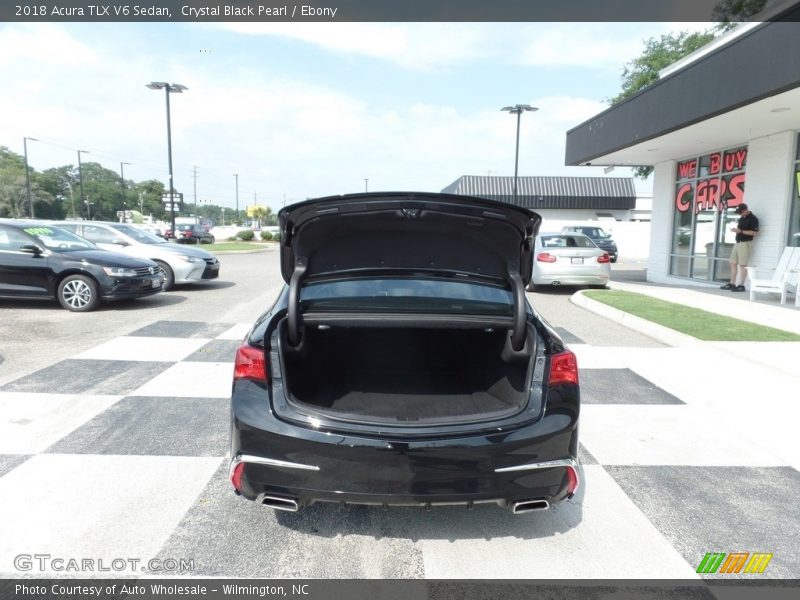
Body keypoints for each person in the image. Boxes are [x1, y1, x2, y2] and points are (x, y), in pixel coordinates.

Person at [720, 203, 759, 292]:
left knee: (742, 265)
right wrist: (736, 231)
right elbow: (740, 231)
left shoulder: (753, 219)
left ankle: (741, 285)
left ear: (745, 210)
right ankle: (732, 283)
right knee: (733, 263)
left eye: (740, 212)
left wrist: (740, 231)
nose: (740, 214)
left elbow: (755, 233)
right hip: (738, 243)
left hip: (745, 243)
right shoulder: (741, 218)